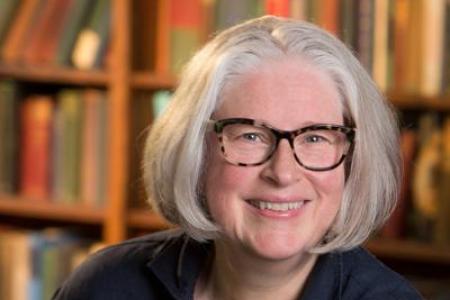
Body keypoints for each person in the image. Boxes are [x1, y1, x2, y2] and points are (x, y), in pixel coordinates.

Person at [53, 16, 422, 299]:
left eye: (315, 137)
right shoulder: (107, 286)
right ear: (195, 151)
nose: (283, 172)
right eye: (250, 135)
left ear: (353, 160)